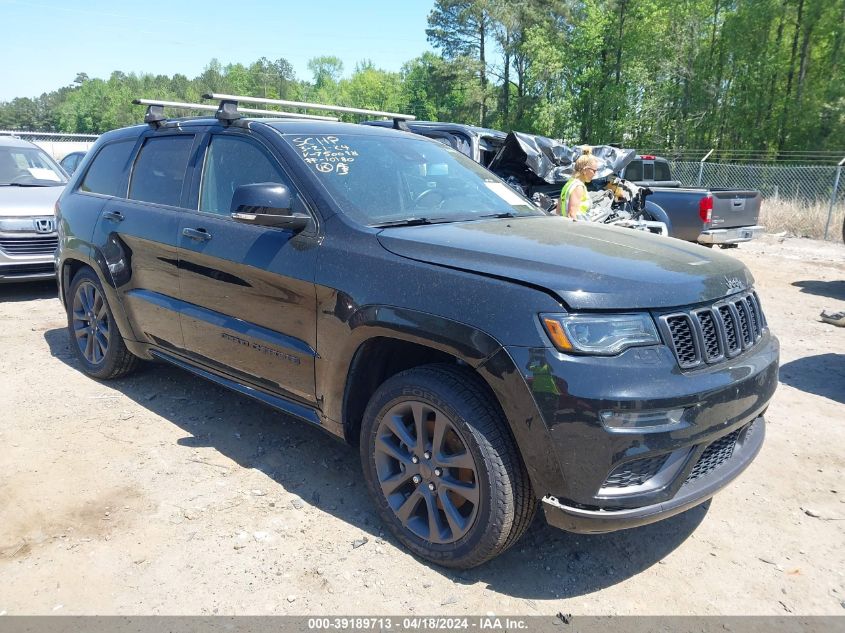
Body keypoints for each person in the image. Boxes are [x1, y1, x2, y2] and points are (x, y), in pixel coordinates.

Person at [555, 148, 600, 220]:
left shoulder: (569, 184)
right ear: (585, 170)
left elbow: (558, 211)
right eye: (594, 171)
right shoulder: (578, 187)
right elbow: (572, 214)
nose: (595, 174)